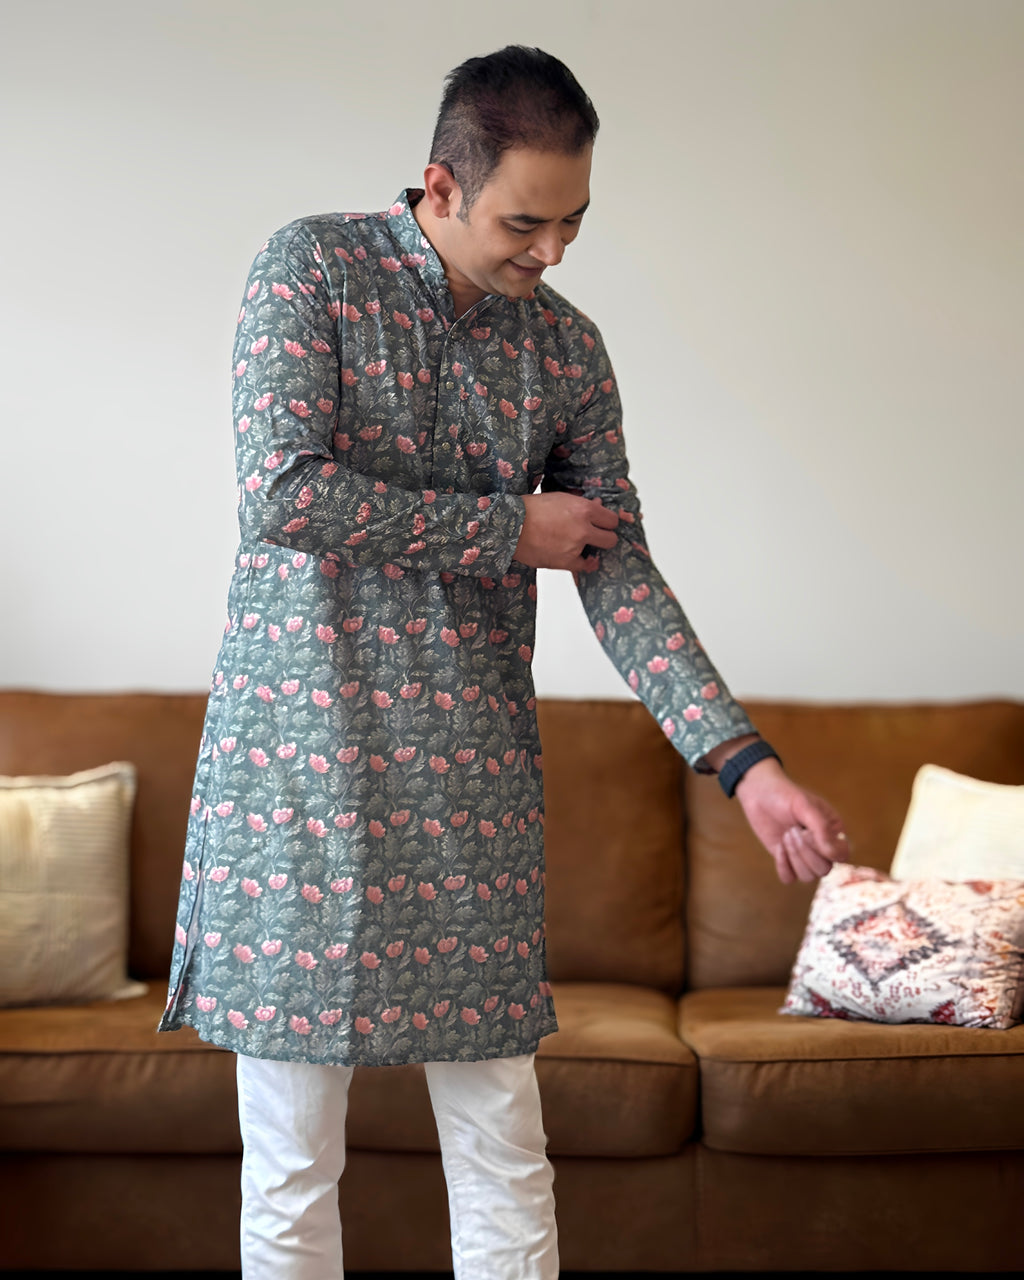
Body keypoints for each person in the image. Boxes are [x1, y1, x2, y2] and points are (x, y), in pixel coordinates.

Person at [159, 45, 847, 1280]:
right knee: (292, 1167)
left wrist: (744, 763)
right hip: (298, 780)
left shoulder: (565, 351)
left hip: (470, 789)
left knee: (503, 1148)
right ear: (439, 182)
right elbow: (281, 490)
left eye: (574, 221)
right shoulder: (309, 267)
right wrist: (502, 527)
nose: (553, 252)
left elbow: (616, 567)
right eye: (526, 221)